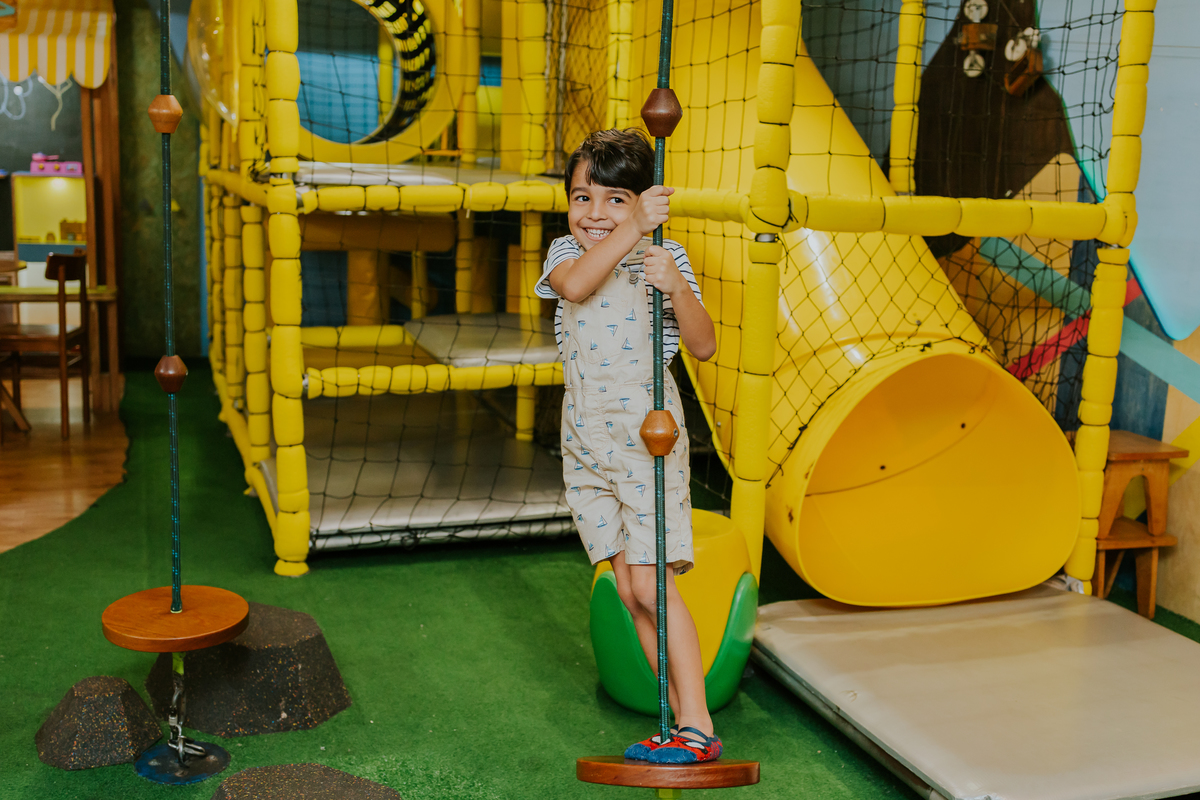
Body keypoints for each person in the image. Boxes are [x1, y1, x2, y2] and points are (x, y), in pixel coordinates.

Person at [535, 128, 721, 764]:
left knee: (653, 586)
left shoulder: (663, 258)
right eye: (582, 196)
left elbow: (703, 345)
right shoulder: (566, 250)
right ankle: (672, 723)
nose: (593, 213)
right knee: (628, 589)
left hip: (648, 439)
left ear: (644, 202)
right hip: (584, 439)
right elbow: (576, 286)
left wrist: (678, 288)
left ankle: (697, 723)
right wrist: (631, 227)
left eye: (617, 200)